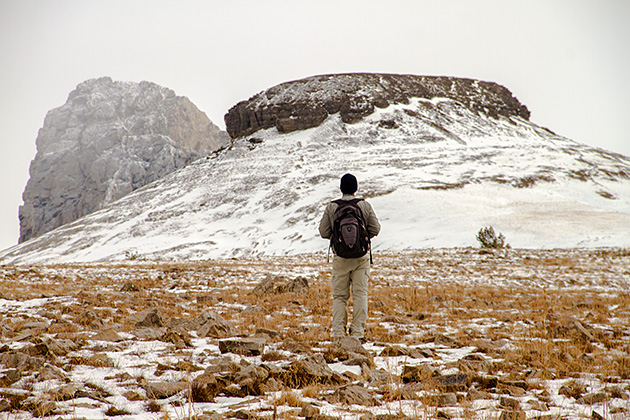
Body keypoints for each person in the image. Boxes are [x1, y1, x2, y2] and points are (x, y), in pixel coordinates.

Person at [319, 173, 381, 342]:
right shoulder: (364, 206)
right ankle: (357, 334)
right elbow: (375, 229)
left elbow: (324, 232)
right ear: (355, 189)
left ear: (341, 189)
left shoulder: (332, 207)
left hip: (341, 258)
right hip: (361, 257)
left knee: (340, 297)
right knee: (360, 294)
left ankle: (339, 334)